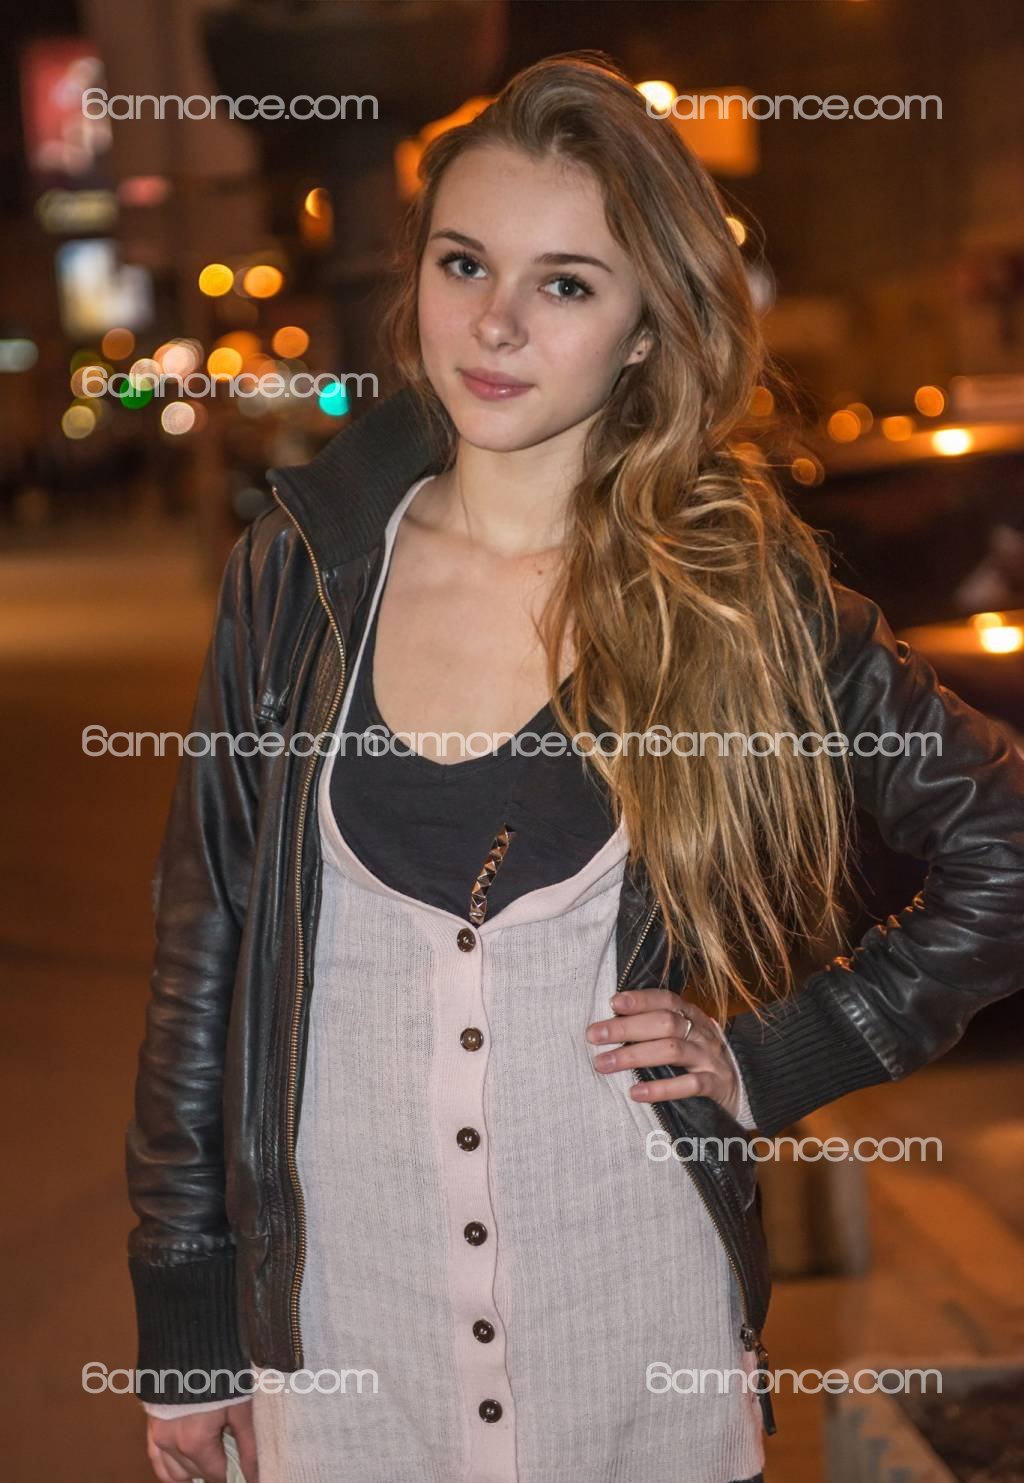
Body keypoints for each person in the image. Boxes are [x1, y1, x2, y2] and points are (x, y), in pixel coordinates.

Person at [125, 52, 1024, 1483]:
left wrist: (781, 1055)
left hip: (637, 1348)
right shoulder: (299, 576)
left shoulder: (736, 596)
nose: (494, 322)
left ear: (649, 329)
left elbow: (1003, 843)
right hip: (347, 1360)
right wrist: (183, 1328)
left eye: (565, 283)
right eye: (464, 262)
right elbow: (205, 958)